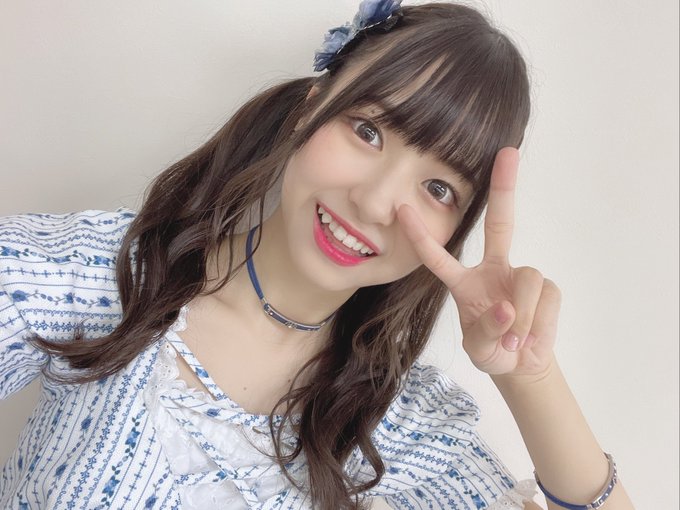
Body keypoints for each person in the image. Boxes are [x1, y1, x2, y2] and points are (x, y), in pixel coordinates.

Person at [0, 1, 635, 509]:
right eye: (369, 131)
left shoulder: (397, 422)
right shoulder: (111, 277)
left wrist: (529, 377)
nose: (376, 202)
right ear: (312, 107)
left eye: (438, 189)